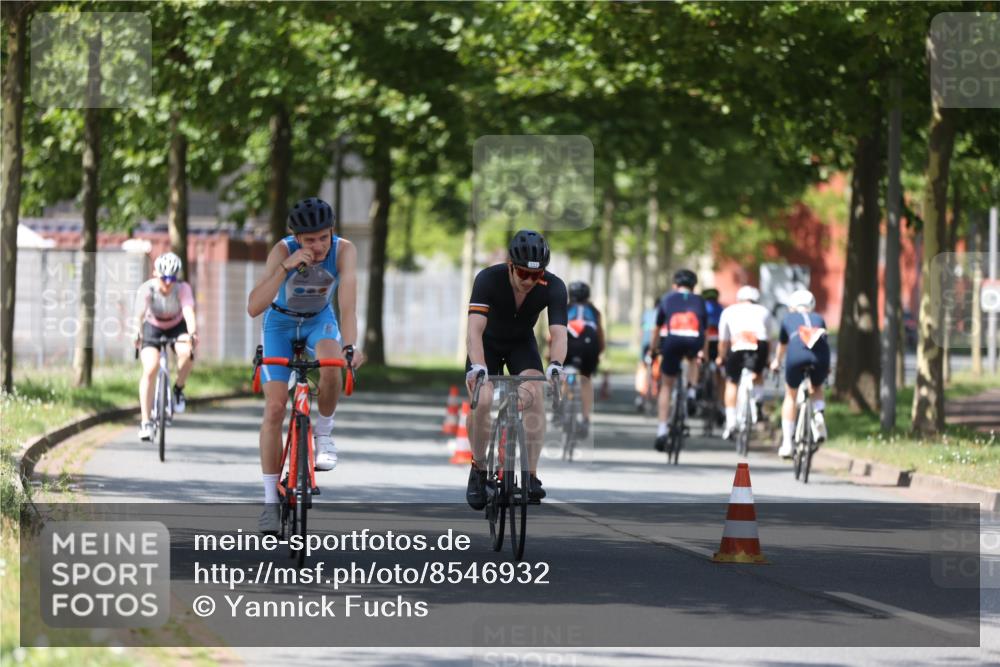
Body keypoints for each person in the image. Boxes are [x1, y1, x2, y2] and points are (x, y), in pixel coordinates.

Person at [247, 197, 364, 534]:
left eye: (323, 238)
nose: (317, 245)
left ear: (332, 233)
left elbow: (349, 307)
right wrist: (285, 267)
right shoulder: (281, 251)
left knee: (331, 363)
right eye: (309, 239)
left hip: (319, 320)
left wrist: (350, 346)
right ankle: (270, 502)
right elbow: (254, 306)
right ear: (296, 237)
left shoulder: (344, 251)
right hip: (279, 324)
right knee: (274, 407)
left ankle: (324, 434)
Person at [465, 230, 567, 510]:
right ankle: (478, 468)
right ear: (510, 265)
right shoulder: (488, 279)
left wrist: (556, 365)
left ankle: (531, 475)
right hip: (486, 346)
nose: (529, 281)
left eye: (536, 275)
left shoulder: (553, 286)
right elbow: (474, 330)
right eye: (523, 274)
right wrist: (477, 367)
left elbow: (558, 334)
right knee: (482, 399)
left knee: (534, 392)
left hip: (521, 344)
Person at [133, 252, 198, 441]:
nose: (167, 283)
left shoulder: (183, 288)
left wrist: (193, 334)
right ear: (155, 274)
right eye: (164, 278)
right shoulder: (147, 288)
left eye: (172, 278)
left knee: (186, 352)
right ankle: (146, 422)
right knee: (151, 368)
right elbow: (138, 314)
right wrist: (136, 332)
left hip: (176, 325)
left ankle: (178, 389)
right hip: (152, 326)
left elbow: (188, 312)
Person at [650, 269, 706, 452]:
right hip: (693, 340)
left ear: (675, 285)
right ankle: (691, 393)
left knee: (666, 385)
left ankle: (661, 430)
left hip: (672, 341)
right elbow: (703, 331)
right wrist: (702, 353)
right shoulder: (699, 301)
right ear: (693, 286)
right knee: (692, 360)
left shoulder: (667, 299)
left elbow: (657, 328)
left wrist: (652, 349)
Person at [770, 289, 829, 457]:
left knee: (791, 395)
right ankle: (818, 414)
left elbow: (782, 345)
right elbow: (823, 341)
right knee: (816, 387)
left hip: (796, 353)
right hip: (820, 355)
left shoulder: (788, 318)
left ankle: (788, 443)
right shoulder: (819, 318)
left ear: (792, 306)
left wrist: (777, 362)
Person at [716, 285, 775, 440]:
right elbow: (768, 339)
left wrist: (721, 357)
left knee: (732, 382)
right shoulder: (764, 311)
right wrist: (767, 360)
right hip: (759, 343)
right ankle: (758, 402)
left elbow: (723, 340)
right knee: (758, 373)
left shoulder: (729, 311)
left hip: (738, 342)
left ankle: (730, 422)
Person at [563, 281, 605, 437]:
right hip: (589, 346)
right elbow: (600, 334)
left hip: (569, 344)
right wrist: (599, 351)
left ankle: (562, 409)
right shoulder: (594, 311)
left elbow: (552, 335)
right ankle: (586, 417)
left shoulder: (564, 309)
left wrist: (550, 353)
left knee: (564, 375)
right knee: (586, 379)